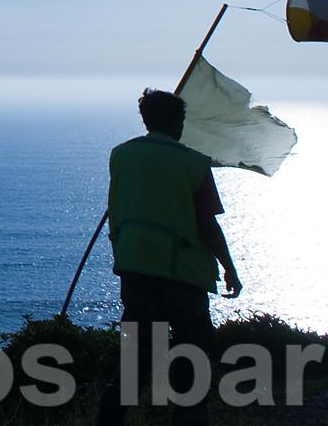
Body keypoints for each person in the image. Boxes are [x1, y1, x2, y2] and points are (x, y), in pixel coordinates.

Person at [98, 88, 241, 426]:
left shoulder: (121, 155)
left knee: (134, 363)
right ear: (178, 121)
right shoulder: (194, 163)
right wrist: (229, 268)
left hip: (135, 270)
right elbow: (206, 224)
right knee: (192, 361)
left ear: (146, 119)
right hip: (183, 275)